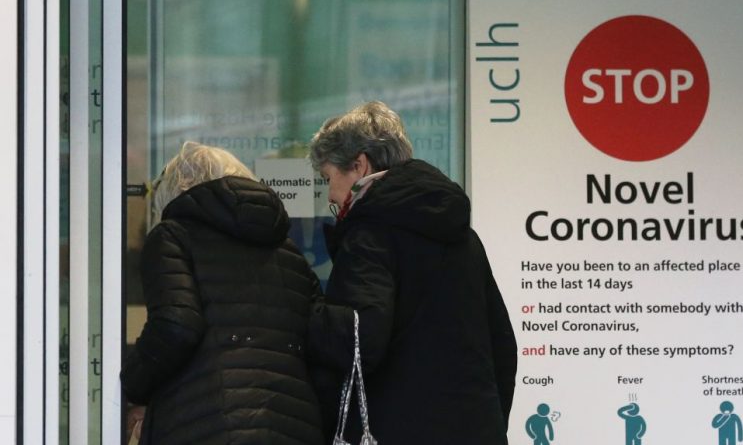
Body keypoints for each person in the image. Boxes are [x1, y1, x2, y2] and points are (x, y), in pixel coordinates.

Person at [306, 101, 517, 444]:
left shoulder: (371, 235)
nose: (330, 193)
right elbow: (502, 347)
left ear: (359, 165)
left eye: (328, 178)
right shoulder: (463, 237)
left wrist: (309, 313)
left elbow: (361, 340)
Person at [120, 142, 324, 445]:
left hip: (208, 421)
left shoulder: (173, 236)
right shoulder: (289, 253)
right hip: (295, 426)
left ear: (178, 189)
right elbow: (318, 337)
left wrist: (133, 383)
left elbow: (176, 326)